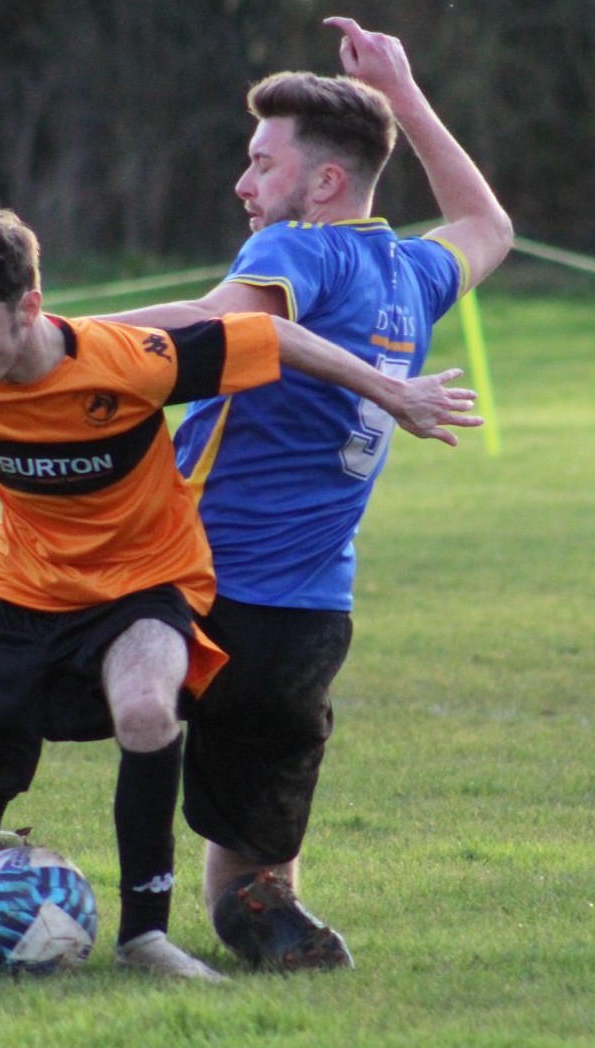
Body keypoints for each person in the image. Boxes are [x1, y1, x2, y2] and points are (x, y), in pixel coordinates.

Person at [0, 206, 481, 979]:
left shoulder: (128, 361)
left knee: (147, 705)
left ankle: (144, 936)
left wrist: (390, 391)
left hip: (142, 591)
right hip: (13, 598)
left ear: (30, 307)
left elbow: (270, 335)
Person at [94, 17, 514, 968]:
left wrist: (58, 336)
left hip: (191, 588)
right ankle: (262, 903)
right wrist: (403, 96)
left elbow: (214, 329)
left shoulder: (300, 254)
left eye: (259, 163)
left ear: (323, 183)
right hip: (306, 614)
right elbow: (491, 226)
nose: (243, 185)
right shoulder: (410, 275)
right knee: (242, 889)